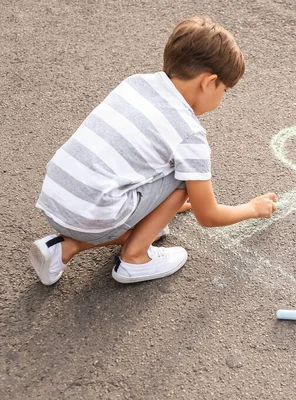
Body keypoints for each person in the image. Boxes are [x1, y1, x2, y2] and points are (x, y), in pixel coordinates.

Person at [30, 16, 277, 285]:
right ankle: (135, 259)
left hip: (57, 197)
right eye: (225, 90)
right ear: (208, 82)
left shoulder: (135, 83)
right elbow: (209, 215)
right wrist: (253, 208)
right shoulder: (189, 133)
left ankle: (64, 247)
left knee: (156, 227)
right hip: (93, 215)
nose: (222, 98)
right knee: (185, 175)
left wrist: (160, 205)